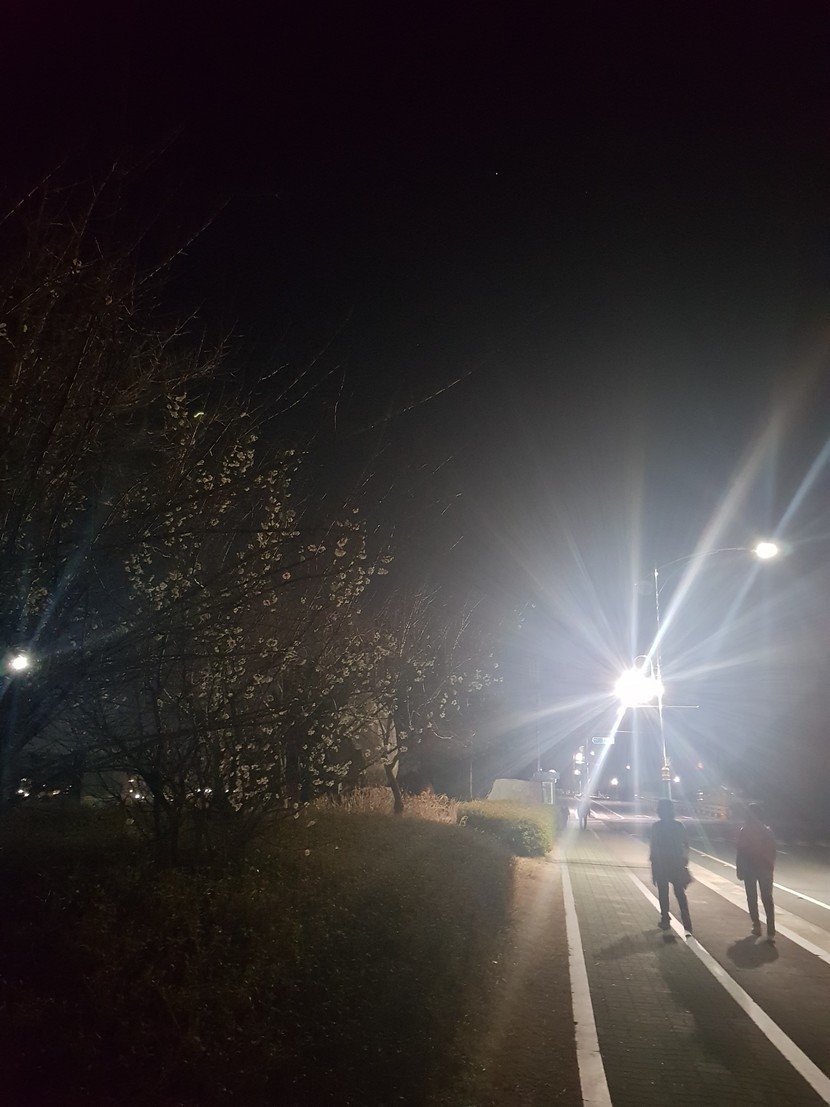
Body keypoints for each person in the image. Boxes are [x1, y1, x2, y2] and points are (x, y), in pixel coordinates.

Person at [649, 798, 693, 935]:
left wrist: (653, 867)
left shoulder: (656, 827)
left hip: (661, 863)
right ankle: (686, 920)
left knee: (663, 893)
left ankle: (665, 919)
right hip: (676, 863)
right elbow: (686, 844)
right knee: (680, 893)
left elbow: (654, 847)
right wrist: (684, 860)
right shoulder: (679, 826)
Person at [736, 803, 776, 941]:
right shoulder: (767, 831)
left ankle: (756, 926)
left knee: (751, 898)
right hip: (765, 869)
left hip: (750, 868)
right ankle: (770, 931)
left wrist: (739, 868)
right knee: (767, 899)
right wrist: (770, 865)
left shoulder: (745, 831)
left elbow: (740, 851)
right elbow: (773, 851)